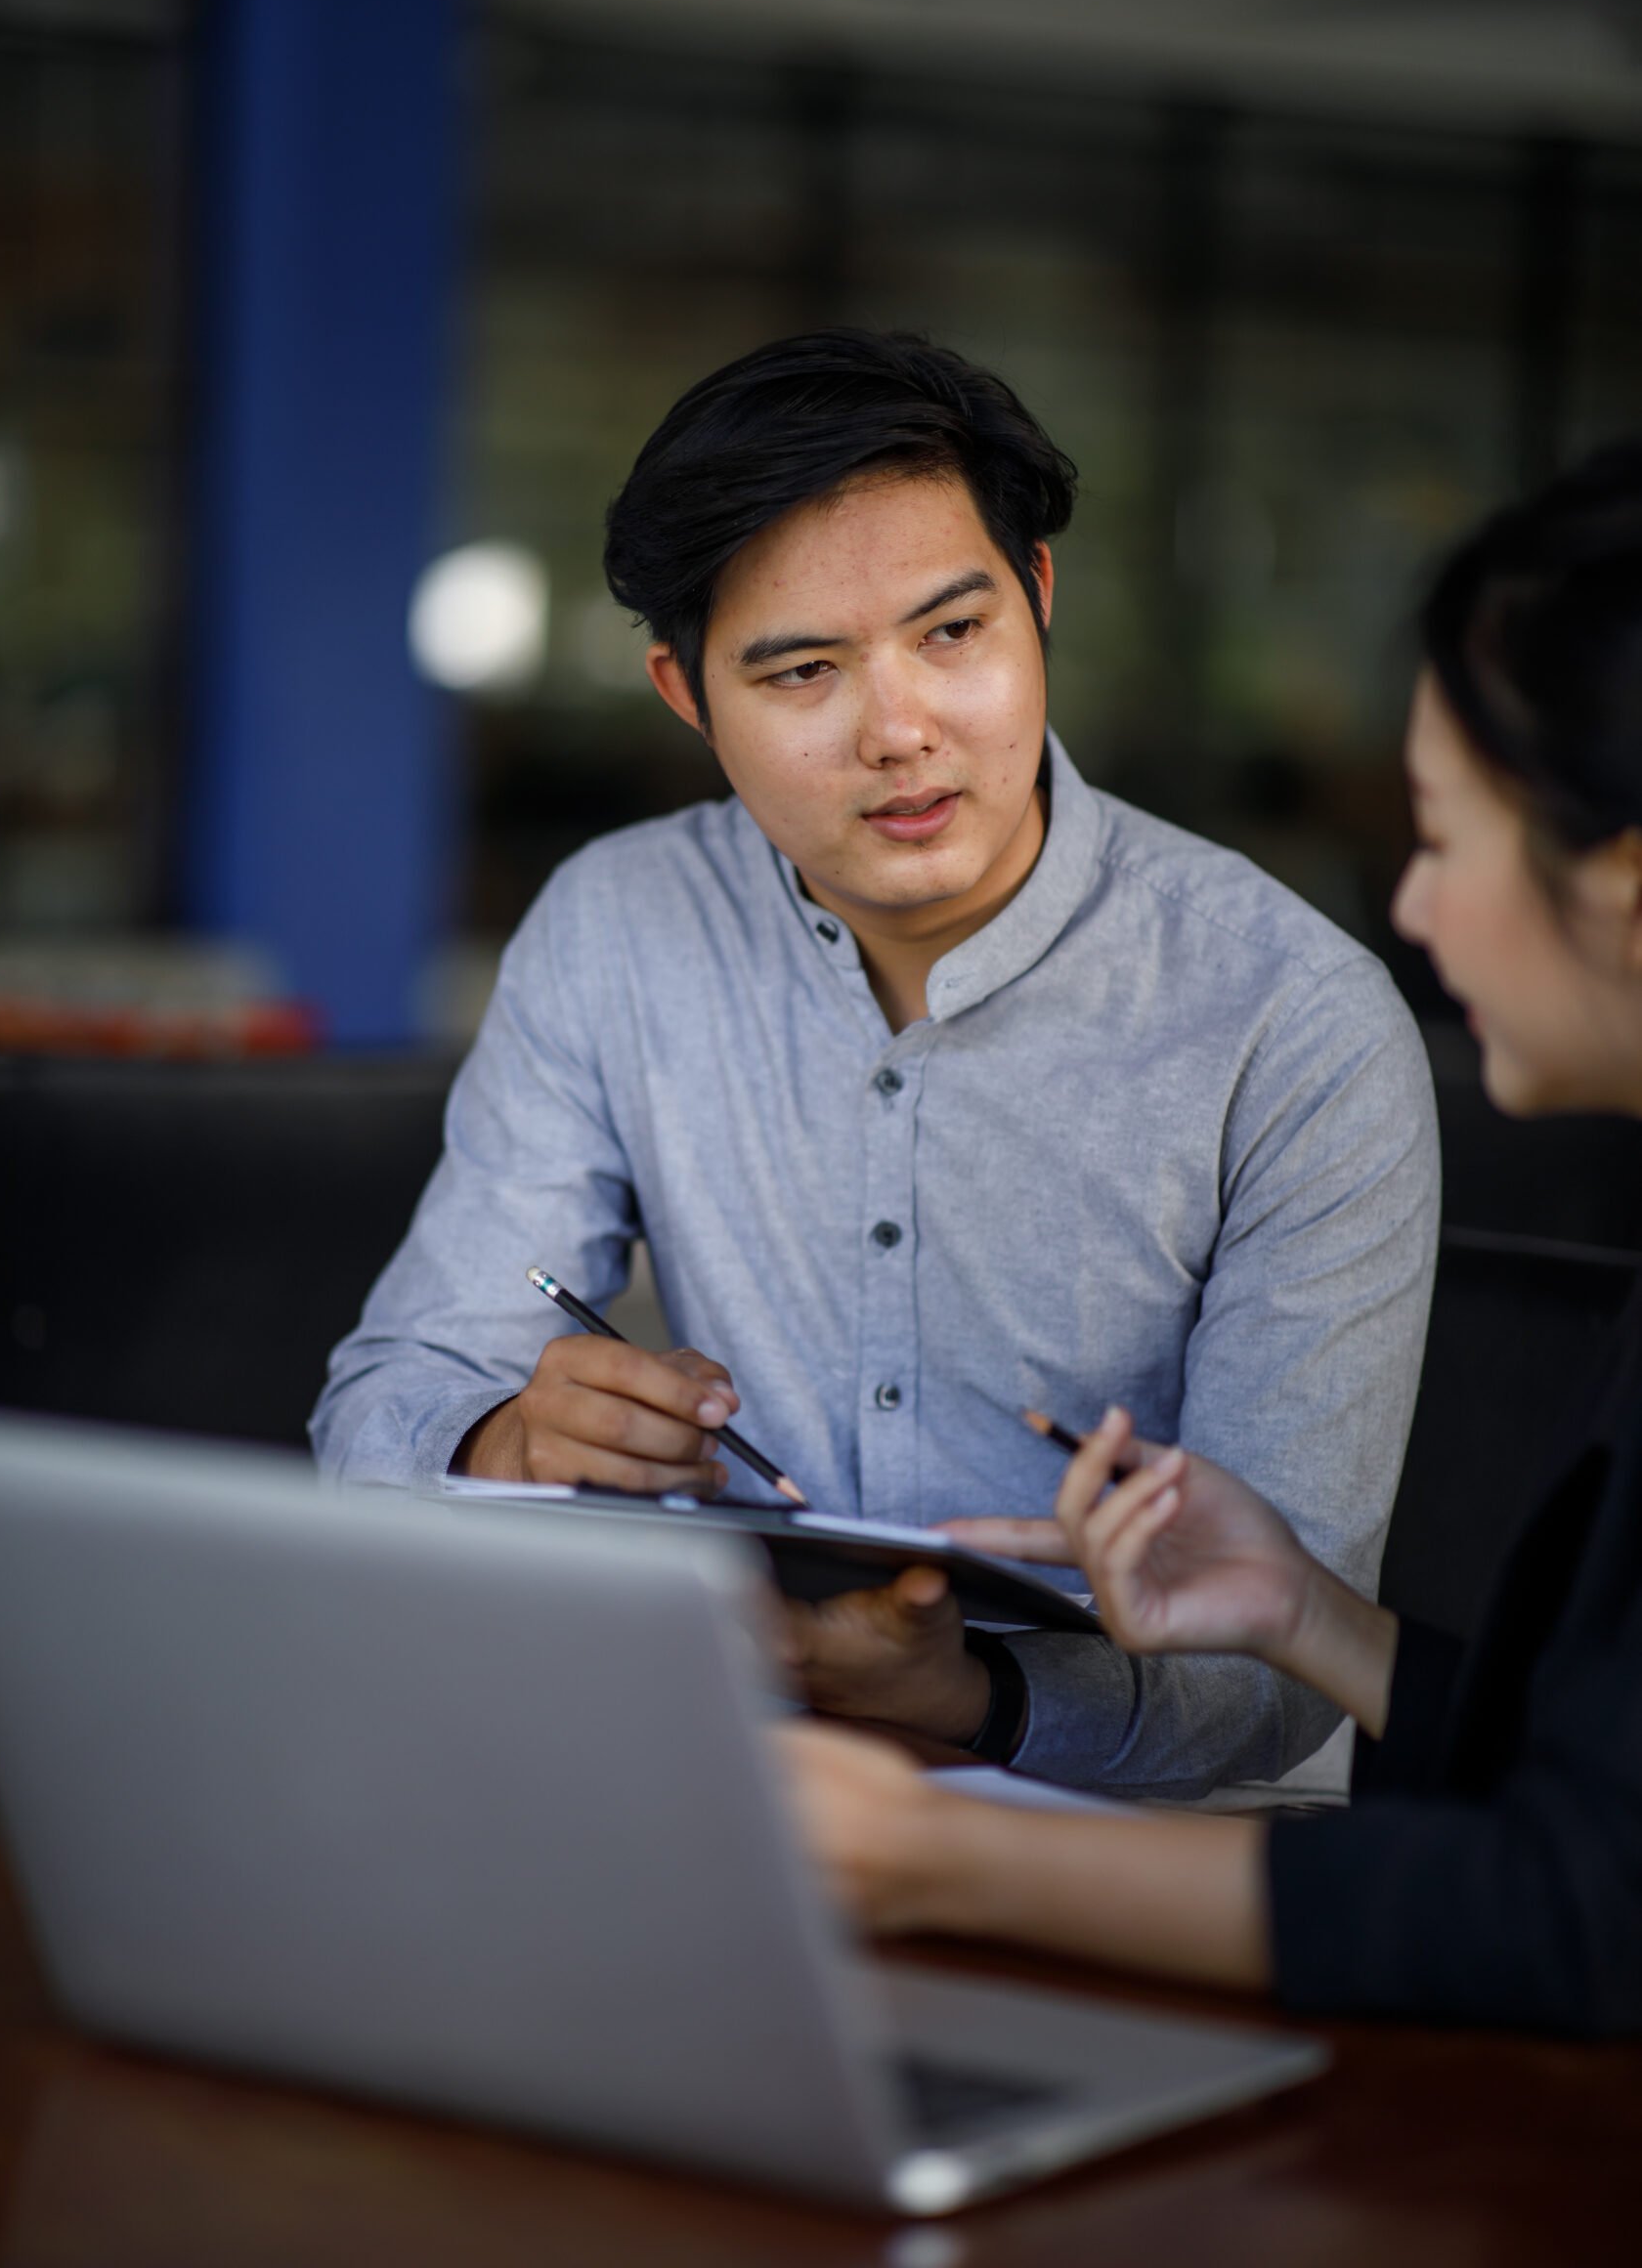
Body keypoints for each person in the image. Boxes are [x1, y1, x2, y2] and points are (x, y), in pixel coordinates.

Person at [311, 328, 1438, 1797]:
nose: (899, 732)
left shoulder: (1291, 1023)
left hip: (1140, 1841)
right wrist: (507, 1438)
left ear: (1037, 600)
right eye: (800, 672)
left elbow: (1287, 1654)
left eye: (951, 635)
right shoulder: (618, 927)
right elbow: (383, 1401)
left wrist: (973, 1698)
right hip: (723, 1775)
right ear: (684, 694)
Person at [786, 444, 1642, 2033]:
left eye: (1443, 840)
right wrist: (1314, 1622)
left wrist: (933, 1858)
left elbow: (1586, 1912)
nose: (1414, 912)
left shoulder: (1290, 1015)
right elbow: (1601, 1792)